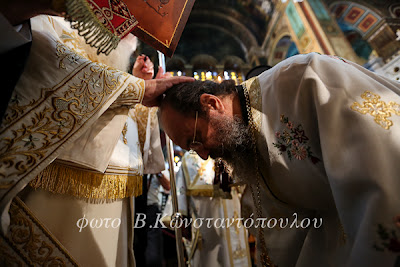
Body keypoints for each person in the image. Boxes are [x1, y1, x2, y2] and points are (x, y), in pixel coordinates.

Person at [159, 53, 400, 267]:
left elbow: (384, 164)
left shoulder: (303, 79)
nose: (202, 154)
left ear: (211, 103)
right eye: (191, 149)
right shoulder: (247, 150)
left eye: (196, 139)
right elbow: (287, 234)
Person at [0, 14, 191, 266]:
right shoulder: (54, 27)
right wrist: (138, 90)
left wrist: (141, 100)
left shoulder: (116, 71)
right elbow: (63, 82)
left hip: (116, 204)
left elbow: (124, 129)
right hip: (59, 205)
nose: (132, 28)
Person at [173, 151, 251, 267]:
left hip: (235, 221)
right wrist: (183, 220)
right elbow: (181, 196)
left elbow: (244, 186)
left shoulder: (231, 154)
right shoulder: (190, 159)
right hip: (207, 228)